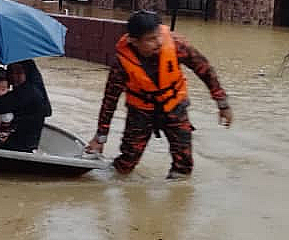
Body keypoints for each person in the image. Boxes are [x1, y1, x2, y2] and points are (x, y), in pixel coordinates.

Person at [84, 10, 233, 179]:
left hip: (174, 106)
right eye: (151, 39)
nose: (159, 42)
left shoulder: (176, 45)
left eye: (158, 36)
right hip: (140, 111)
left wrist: (222, 103)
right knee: (126, 163)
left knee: (183, 165)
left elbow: (204, 69)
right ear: (134, 41)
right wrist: (100, 138)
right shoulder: (121, 64)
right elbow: (110, 101)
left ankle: (176, 199)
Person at [0, 59, 50, 152]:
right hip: (23, 143)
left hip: (15, 146)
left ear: (27, 73)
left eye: (19, 72)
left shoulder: (27, 92)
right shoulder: (34, 89)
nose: (14, 76)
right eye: (11, 71)